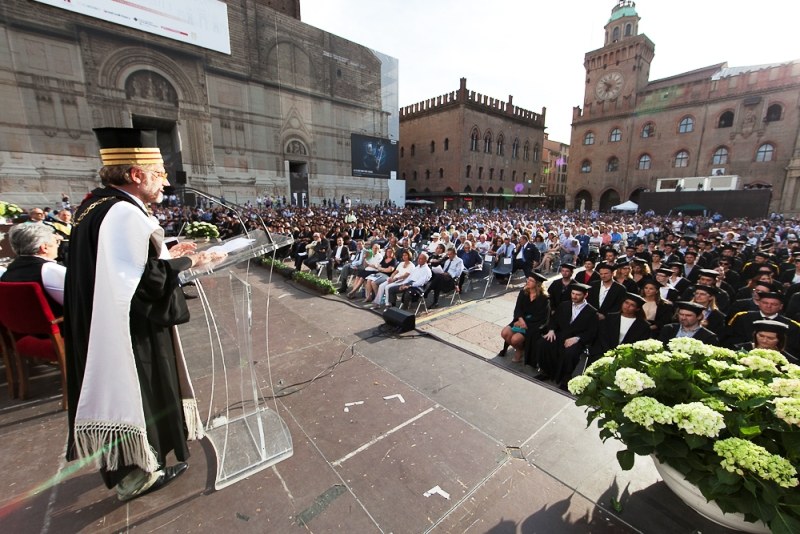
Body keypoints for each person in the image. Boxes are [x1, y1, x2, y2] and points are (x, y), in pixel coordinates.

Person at [64, 128, 217, 502]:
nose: (164, 181)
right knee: (140, 391)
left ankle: (132, 468)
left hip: (103, 321)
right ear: (135, 174)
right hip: (131, 333)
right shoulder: (123, 213)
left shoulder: (94, 206)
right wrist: (191, 259)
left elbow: (126, 267)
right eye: (158, 173)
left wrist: (166, 250)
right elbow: (148, 283)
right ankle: (139, 474)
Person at [536, 283, 598, 388]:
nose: (574, 296)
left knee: (571, 353)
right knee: (543, 343)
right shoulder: (564, 305)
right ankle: (546, 371)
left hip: (576, 339)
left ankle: (566, 378)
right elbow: (554, 320)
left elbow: (592, 332)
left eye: (578, 294)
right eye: (573, 293)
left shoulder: (591, 312)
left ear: (585, 295)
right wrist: (551, 330)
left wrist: (577, 338)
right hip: (560, 334)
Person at [1, 223, 66, 318]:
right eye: (56, 242)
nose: (57, 246)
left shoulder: (6, 273)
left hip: (18, 330)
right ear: (44, 248)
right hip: (59, 329)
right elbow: (79, 302)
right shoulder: (50, 270)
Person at [498, 273, 550, 363]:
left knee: (515, 339)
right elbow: (518, 308)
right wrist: (520, 320)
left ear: (537, 284)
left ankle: (519, 350)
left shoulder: (544, 299)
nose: (527, 282)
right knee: (505, 333)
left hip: (533, 325)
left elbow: (541, 317)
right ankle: (520, 348)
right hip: (520, 320)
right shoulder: (523, 292)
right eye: (528, 279)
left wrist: (524, 323)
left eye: (531, 280)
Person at [589, 293, 652, 361]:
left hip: (626, 357)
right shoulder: (610, 318)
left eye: (632, 305)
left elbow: (638, 344)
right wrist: (609, 353)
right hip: (604, 352)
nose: (627, 306)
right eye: (626, 303)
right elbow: (602, 337)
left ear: (637, 309)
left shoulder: (643, 326)